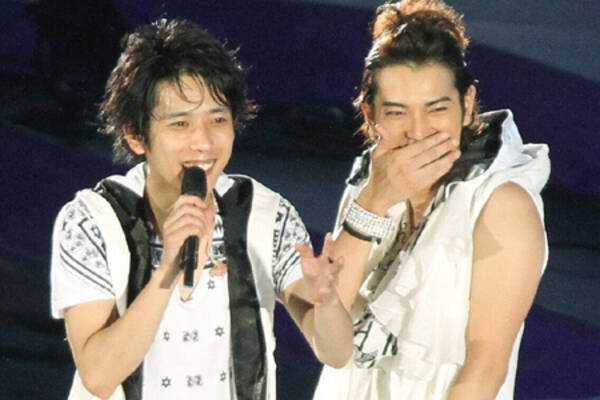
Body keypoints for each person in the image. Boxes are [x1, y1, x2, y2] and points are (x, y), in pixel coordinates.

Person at [50, 19, 352, 400]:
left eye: (218, 119)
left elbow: (336, 353)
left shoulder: (265, 213)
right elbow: (99, 376)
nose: (204, 142)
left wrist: (328, 302)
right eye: (180, 124)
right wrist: (167, 271)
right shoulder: (91, 222)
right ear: (135, 135)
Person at [313, 1, 550, 399]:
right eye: (397, 113)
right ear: (370, 115)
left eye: (436, 109)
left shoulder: (503, 204)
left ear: (467, 105)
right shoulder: (367, 189)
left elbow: (485, 369)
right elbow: (327, 342)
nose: (418, 132)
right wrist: (372, 203)